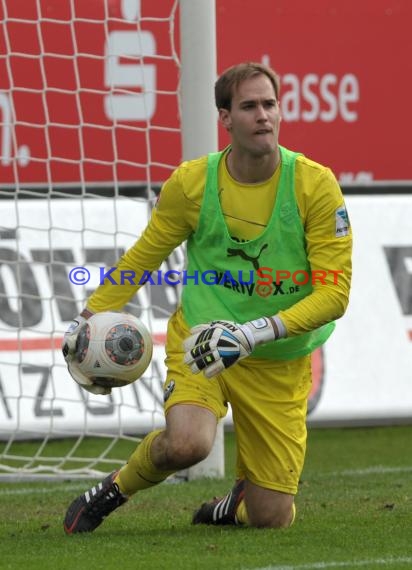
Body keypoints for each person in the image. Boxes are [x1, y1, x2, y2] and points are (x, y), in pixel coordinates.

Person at [62, 61, 352, 534]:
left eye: (270, 104)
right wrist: (88, 316)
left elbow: (334, 295)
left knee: (271, 517)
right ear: (225, 118)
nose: (263, 116)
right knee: (187, 445)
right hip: (202, 341)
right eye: (249, 106)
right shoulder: (193, 184)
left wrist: (252, 333)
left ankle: (230, 507)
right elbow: (143, 257)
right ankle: (114, 489)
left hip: (278, 359)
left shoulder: (315, 186)